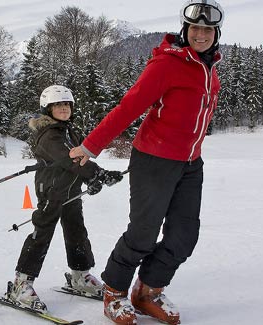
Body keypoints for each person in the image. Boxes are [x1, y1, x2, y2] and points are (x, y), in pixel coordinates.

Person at [68, 1, 225, 324]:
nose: (200, 34)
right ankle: (114, 291)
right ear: (185, 29)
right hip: (154, 160)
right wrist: (91, 145)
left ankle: (147, 291)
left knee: (184, 236)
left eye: (207, 29)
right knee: (142, 234)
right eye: (195, 28)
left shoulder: (209, 70)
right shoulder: (167, 65)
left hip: (190, 164)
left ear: (215, 34)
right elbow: (129, 107)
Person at [4, 85, 123, 313]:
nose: (64, 108)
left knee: (77, 232)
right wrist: (99, 174)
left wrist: (91, 180)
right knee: (42, 233)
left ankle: (80, 275)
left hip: (71, 190)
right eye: (58, 105)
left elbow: (82, 158)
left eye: (67, 104)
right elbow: (70, 159)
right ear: (47, 108)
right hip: (52, 190)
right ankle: (21, 283)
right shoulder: (49, 135)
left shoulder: (69, 130)